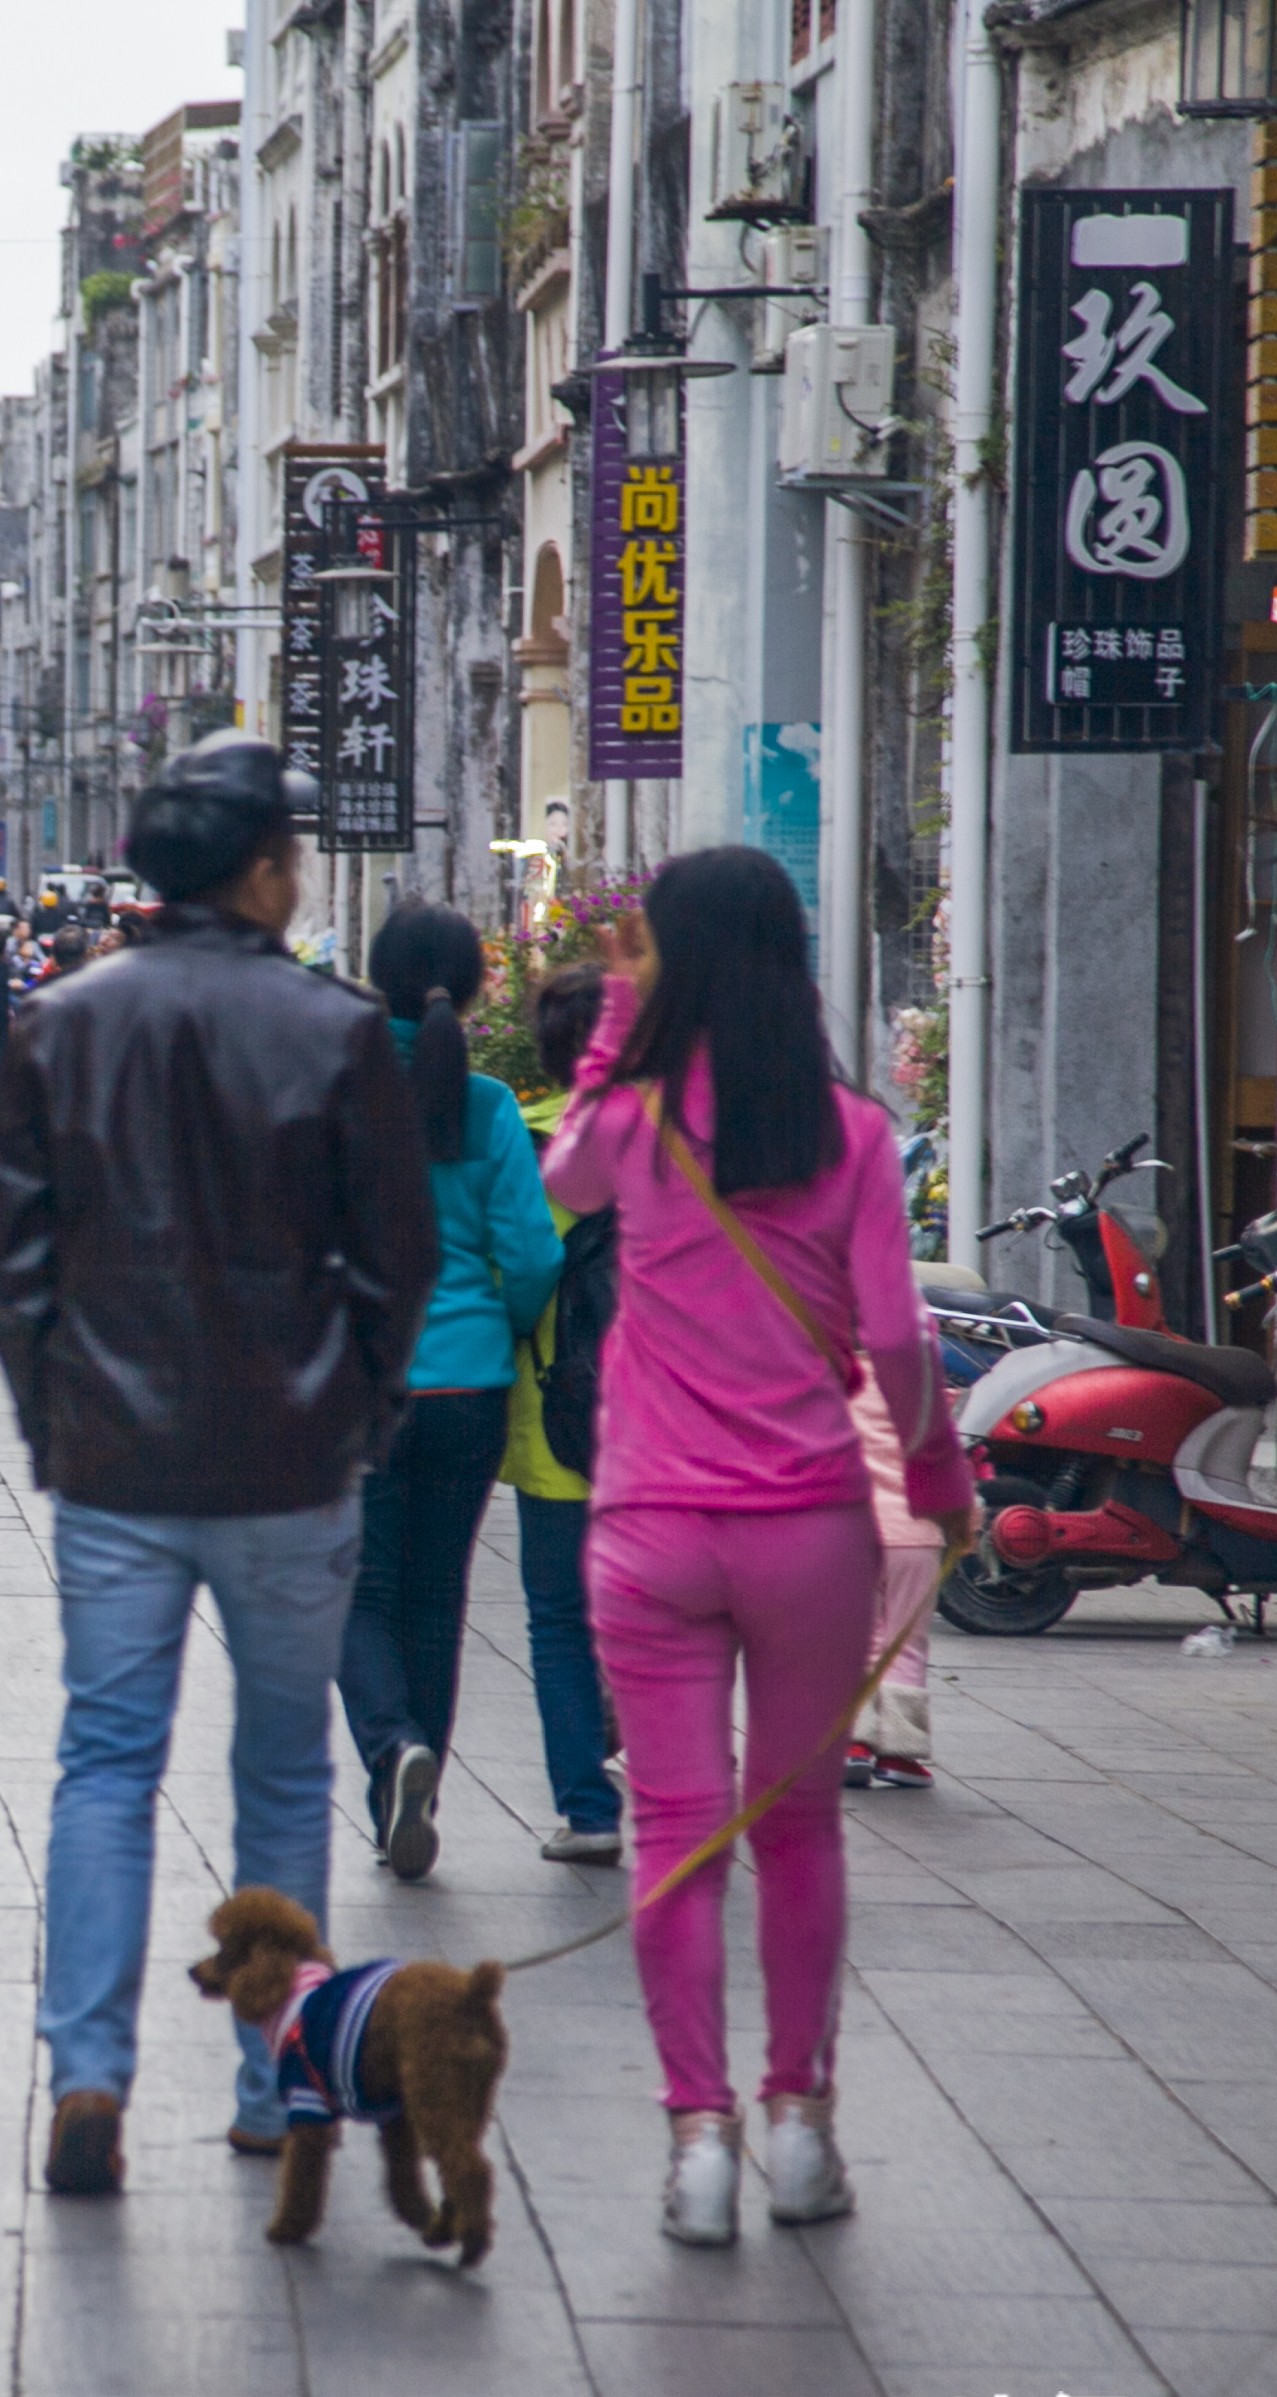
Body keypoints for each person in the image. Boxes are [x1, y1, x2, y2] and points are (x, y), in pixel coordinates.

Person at [0, 732, 440, 2196]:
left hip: (117, 1463)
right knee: (284, 1775)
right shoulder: (334, 1026)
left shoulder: (61, 1019)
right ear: (259, 871)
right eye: (290, 855)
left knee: (105, 1766)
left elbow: (17, 1260)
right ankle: (276, 2076)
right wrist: (360, 1409)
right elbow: (396, 1259)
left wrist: (53, 1421)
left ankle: (89, 2071)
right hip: (292, 1461)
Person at [538, 846, 972, 2250]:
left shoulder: (637, 1118)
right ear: (790, 960)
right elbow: (898, 1338)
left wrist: (617, 1017)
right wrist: (938, 1475)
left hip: (650, 1529)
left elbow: (569, 1175)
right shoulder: (846, 1131)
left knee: (674, 1834)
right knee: (796, 1831)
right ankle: (798, 2122)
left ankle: (696, 2138)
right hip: (804, 1531)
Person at [338, 905, 562, 1887]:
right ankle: (414, 1769)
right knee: (437, 1593)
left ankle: (393, 1752)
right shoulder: (490, 1107)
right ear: (472, 989)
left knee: (350, 1592)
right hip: (470, 1386)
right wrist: (500, 1327)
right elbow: (530, 1256)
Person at [499, 964, 624, 1865]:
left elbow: (522, 1273)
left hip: (558, 1419)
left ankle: (587, 1811)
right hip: (680, 1429)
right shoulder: (691, 1148)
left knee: (555, 1613)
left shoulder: (534, 1141)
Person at [843, 1380, 942, 1790]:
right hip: (917, 1534)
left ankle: (853, 1744)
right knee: (906, 1642)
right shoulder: (923, 1387)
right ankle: (899, 1753)